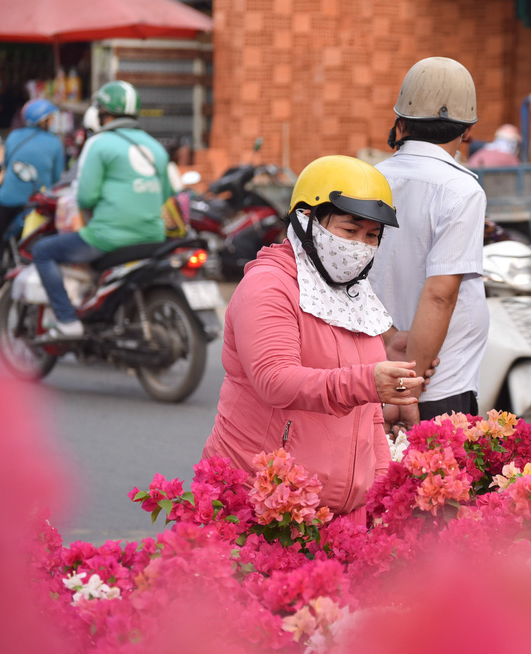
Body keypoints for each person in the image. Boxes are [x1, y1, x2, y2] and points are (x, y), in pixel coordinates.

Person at [202, 155, 422, 523]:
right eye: (350, 231)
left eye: (372, 236)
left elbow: (369, 418)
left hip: (339, 517)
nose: (361, 246)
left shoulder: (357, 297)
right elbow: (275, 380)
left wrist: (379, 495)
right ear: (306, 220)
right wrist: (367, 381)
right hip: (267, 508)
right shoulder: (269, 286)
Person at [370, 57, 489, 426]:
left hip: (374, 376)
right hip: (432, 388)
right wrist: (407, 390)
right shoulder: (460, 188)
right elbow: (440, 293)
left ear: (400, 123)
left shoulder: (371, 178)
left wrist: (390, 340)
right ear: (467, 130)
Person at [31, 81, 170, 338]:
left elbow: (85, 197)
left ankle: (67, 320)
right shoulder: (155, 147)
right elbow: (165, 196)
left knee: (42, 251)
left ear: (103, 112)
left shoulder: (100, 143)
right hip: (154, 237)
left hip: (108, 238)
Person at [0, 98, 64, 302]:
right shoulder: (55, 143)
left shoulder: (14, 136)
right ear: (44, 120)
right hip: (37, 202)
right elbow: (57, 178)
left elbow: (8, 163)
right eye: (50, 118)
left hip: (9, 198)